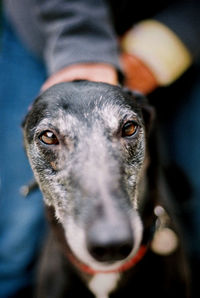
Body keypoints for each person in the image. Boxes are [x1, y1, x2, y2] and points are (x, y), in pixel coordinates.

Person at [0, 0, 199, 297]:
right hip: (48, 24)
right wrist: (82, 46)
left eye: (128, 130)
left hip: (175, 20)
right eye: (51, 138)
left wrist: (171, 40)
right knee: (15, 245)